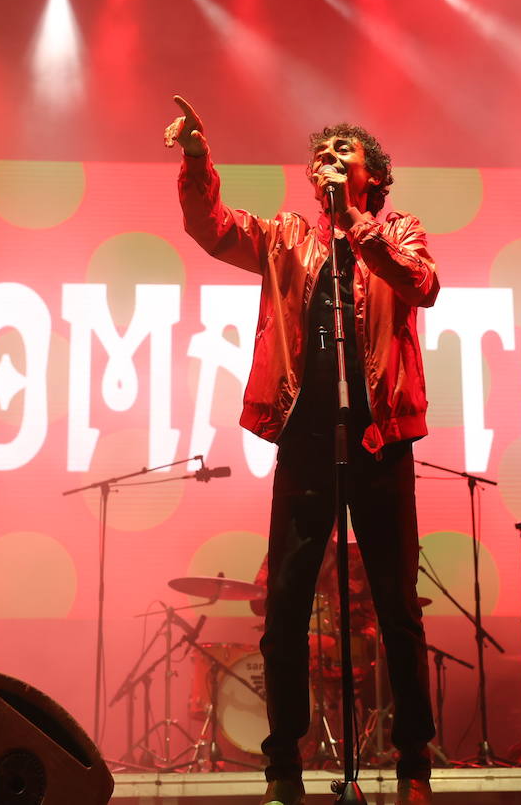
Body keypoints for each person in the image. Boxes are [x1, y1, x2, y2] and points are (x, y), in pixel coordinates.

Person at [164, 96, 438, 805]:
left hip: (380, 445)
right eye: (322, 154)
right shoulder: (287, 236)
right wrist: (197, 160)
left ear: (372, 175)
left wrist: (358, 229)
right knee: (283, 608)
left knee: (399, 610)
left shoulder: (399, 230)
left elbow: (422, 285)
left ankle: (414, 765)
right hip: (307, 443)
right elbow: (212, 229)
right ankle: (282, 764)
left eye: (344, 153)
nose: (329, 161)